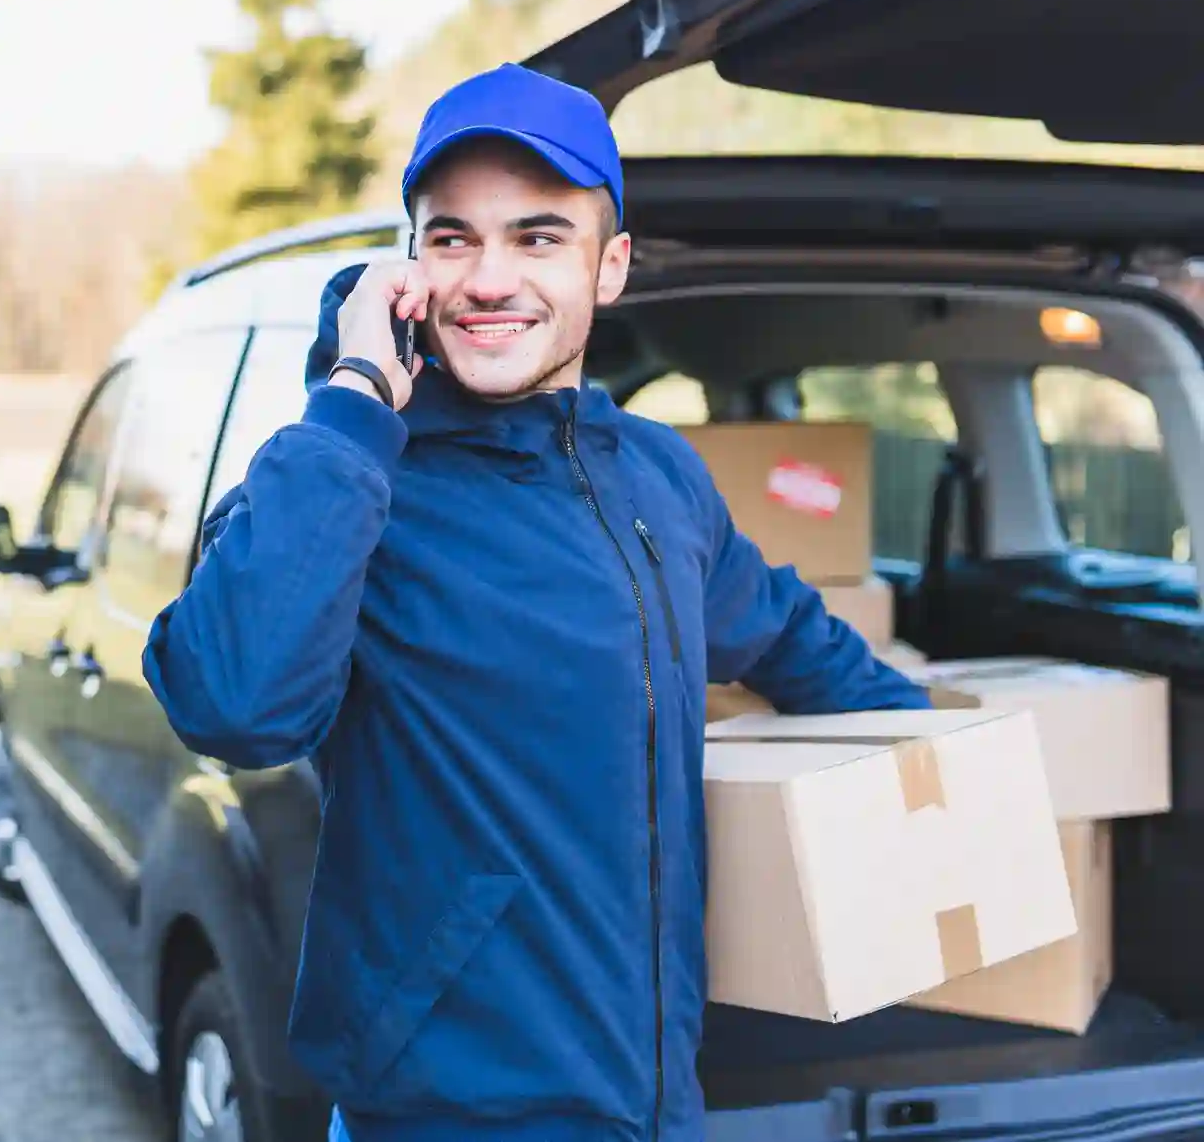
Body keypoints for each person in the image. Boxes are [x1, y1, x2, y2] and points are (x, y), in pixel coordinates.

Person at [141, 63, 930, 1142]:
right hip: (443, 1116)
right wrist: (356, 388)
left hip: (653, 1105)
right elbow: (232, 703)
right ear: (408, 263)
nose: (487, 277)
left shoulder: (656, 475)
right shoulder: (351, 478)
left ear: (607, 268)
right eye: (451, 237)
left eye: (537, 236)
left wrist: (946, 748)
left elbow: (786, 635)